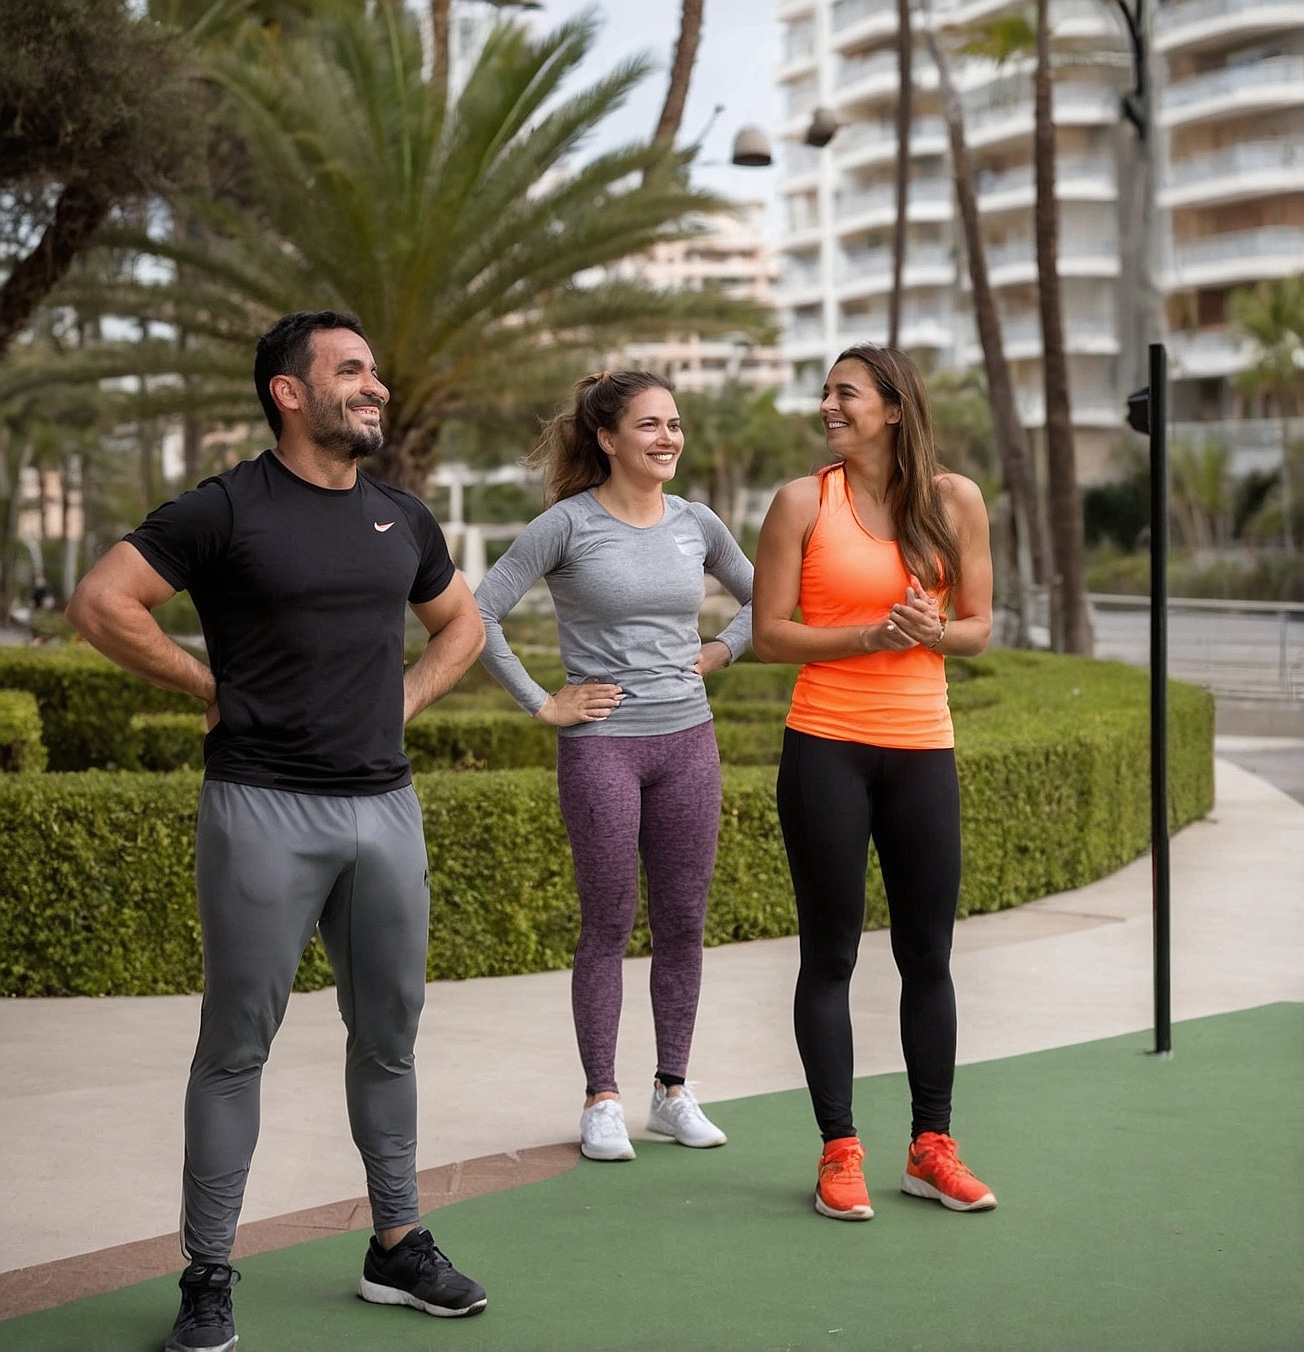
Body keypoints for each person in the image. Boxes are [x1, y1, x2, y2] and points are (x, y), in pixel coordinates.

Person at [66, 311, 489, 1351]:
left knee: (388, 1037)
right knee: (234, 1046)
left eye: (374, 370)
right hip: (261, 807)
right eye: (351, 370)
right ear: (288, 393)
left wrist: (401, 701)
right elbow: (104, 601)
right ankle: (208, 1273)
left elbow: (463, 624)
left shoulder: (400, 515)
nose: (375, 385)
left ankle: (397, 1243)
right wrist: (204, 683)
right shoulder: (226, 507)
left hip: (384, 807)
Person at [475, 370, 752, 1164]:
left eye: (675, 423)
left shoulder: (696, 522)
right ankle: (602, 1097)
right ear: (607, 438)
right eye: (649, 425)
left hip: (688, 744)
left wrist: (721, 649)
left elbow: (767, 598)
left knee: (684, 921)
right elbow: (478, 611)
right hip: (603, 748)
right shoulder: (566, 525)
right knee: (608, 922)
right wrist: (542, 703)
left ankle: (673, 1090)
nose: (668, 437)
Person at [751, 344, 996, 1222]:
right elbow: (769, 634)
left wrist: (931, 631)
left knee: (928, 954)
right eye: (825, 393)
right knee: (832, 954)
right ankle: (839, 1150)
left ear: (894, 408)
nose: (828, 406)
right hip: (826, 746)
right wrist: (867, 638)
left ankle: (932, 1148)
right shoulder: (800, 503)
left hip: (922, 748)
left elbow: (978, 629)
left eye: (845, 393)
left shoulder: (955, 501)